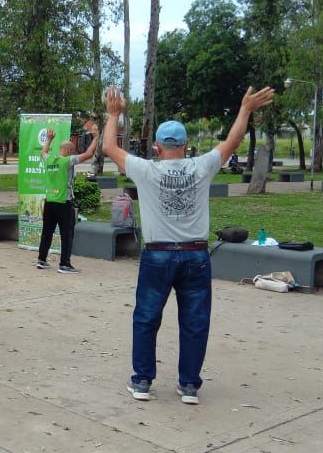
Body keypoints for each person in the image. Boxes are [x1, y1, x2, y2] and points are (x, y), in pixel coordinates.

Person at [101, 84, 274, 405]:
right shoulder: (201, 167)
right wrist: (245, 109)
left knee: (147, 317)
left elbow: (109, 147)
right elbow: (232, 141)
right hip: (195, 256)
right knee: (195, 321)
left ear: (156, 147)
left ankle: (141, 381)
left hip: (157, 256)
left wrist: (114, 114)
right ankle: (189, 385)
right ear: (185, 145)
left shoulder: (146, 169)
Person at [35, 120, 99, 273]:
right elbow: (89, 154)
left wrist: (49, 139)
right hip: (64, 202)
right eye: (74, 150)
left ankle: (41, 260)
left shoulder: (49, 159)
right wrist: (96, 137)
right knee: (67, 234)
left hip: (49, 202)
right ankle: (64, 264)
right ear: (70, 151)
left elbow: (43, 152)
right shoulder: (68, 161)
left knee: (47, 232)